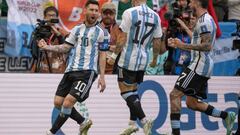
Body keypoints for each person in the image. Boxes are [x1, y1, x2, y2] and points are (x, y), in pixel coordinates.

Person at [38, 1, 109, 135]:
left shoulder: (102, 32)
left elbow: (103, 55)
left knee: (67, 103)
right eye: (92, 10)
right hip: (70, 70)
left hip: (87, 72)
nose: (94, 13)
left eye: (96, 10)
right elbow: (65, 47)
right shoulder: (76, 29)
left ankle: (51, 132)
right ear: (85, 11)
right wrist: (46, 47)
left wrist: (102, 77)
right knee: (58, 102)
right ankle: (83, 121)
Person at [168, 0, 236, 135]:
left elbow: (207, 46)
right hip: (202, 64)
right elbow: (198, 40)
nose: (190, 2)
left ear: (198, 3)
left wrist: (182, 46)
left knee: (174, 95)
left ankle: (175, 133)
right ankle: (226, 116)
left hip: (199, 65)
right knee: (192, 104)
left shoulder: (205, 21)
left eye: (192, 0)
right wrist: (179, 40)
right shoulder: (203, 19)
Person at [108, 0, 165, 134]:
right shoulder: (155, 16)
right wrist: (155, 58)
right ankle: (132, 124)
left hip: (127, 59)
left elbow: (121, 38)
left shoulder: (129, 12)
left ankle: (144, 121)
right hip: (143, 60)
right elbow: (157, 41)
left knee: (125, 92)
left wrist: (113, 56)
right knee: (133, 91)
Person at [30, 6, 69, 73]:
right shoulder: (39, 31)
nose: (51, 18)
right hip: (41, 69)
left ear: (57, 18)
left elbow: (66, 49)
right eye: (49, 15)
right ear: (44, 18)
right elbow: (34, 53)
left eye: (53, 15)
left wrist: (58, 35)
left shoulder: (63, 32)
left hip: (58, 69)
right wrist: (38, 34)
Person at [100, 2, 121, 74]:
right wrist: (109, 47)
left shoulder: (120, 30)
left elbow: (122, 47)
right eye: (105, 13)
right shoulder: (94, 28)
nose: (108, 16)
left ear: (115, 14)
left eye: (111, 13)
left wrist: (103, 46)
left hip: (113, 69)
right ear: (101, 13)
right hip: (96, 67)